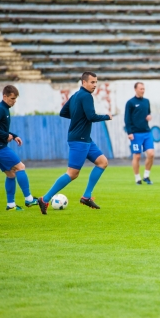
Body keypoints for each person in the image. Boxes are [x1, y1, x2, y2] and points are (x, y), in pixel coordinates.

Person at [38, 72, 112, 214]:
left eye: (96, 82)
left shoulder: (76, 96)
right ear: (83, 82)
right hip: (79, 140)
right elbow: (91, 116)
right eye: (92, 82)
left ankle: (86, 196)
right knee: (72, 173)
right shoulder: (86, 96)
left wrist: (77, 116)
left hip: (85, 139)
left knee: (102, 162)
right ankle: (45, 199)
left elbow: (63, 112)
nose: (95, 85)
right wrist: (106, 116)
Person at [0, 85, 38, 211]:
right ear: (5, 96)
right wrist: (5, 135)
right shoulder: (0, 109)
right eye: (12, 98)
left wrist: (13, 136)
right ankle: (29, 199)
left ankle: (11, 205)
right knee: (20, 167)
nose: (14, 101)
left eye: (15, 99)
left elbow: (1, 128)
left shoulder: (5, 109)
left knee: (11, 174)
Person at [125, 82, 154, 185]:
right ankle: (137, 178)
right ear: (135, 89)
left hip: (147, 132)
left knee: (151, 154)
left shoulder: (146, 101)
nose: (143, 90)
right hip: (136, 133)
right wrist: (129, 132)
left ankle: (146, 175)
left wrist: (149, 116)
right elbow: (127, 118)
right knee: (137, 156)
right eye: (141, 89)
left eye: (143, 88)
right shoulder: (130, 103)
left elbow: (148, 113)